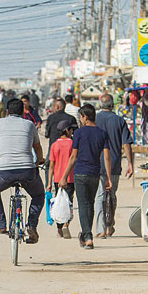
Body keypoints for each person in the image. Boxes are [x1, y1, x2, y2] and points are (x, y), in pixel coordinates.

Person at [0, 98, 45, 244]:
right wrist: (39, 160)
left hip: (5, 172)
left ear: (7, 111)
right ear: (22, 112)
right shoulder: (29, 124)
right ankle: (31, 224)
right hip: (27, 171)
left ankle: (0, 225)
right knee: (38, 195)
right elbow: (37, 147)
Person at [60, 104, 112, 250]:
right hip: (95, 174)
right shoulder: (102, 133)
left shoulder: (78, 133)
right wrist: (107, 177)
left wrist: (64, 176)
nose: (80, 120)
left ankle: (88, 236)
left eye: (81, 117)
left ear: (85, 117)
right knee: (90, 204)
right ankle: (86, 235)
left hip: (80, 173)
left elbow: (73, 157)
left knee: (83, 205)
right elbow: (107, 157)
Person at [94, 94, 135, 238]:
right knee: (111, 195)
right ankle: (109, 225)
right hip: (114, 163)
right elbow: (126, 144)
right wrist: (130, 163)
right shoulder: (119, 120)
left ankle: (100, 228)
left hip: (96, 163)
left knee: (100, 195)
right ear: (112, 105)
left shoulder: (94, 119)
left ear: (100, 105)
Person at [46, 125, 76, 239]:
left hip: (57, 179)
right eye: (71, 130)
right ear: (67, 131)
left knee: (58, 203)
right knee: (68, 203)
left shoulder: (54, 145)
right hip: (70, 178)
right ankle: (66, 224)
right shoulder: (72, 144)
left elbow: (51, 166)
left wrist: (49, 182)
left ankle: (59, 229)